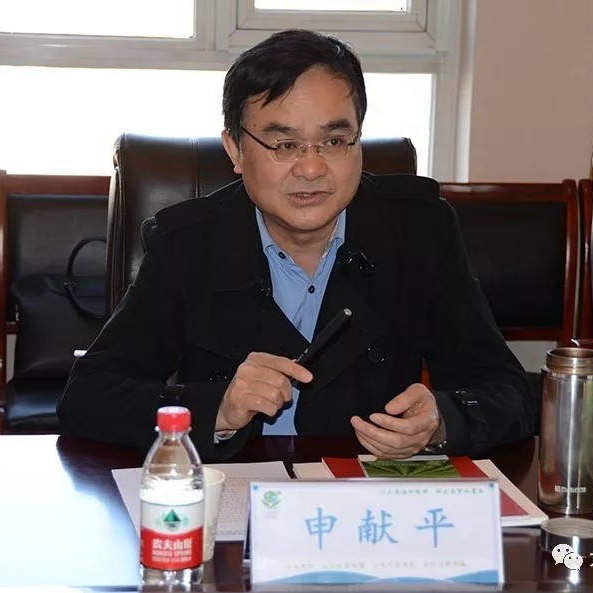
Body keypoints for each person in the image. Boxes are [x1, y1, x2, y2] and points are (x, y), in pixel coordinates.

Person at [57, 29, 535, 460]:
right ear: (235, 150)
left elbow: (507, 391)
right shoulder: (187, 245)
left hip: (361, 501)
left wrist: (441, 420)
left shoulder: (418, 232)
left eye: (335, 141)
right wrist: (216, 408)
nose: (311, 168)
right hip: (235, 496)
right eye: (284, 145)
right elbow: (88, 396)